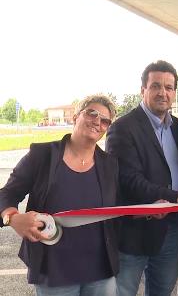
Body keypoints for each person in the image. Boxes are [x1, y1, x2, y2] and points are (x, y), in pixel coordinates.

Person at [105, 60, 178, 296]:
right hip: (134, 229)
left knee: (162, 291)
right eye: (156, 86)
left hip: (171, 228)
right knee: (123, 291)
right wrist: (176, 197)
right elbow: (128, 180)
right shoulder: (123, 128)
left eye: (169, 87)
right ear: (143, 90)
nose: (163, 92)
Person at [0, 95, 119, 295]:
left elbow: (119, 207)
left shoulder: (110, 164)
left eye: (105, 120)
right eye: (92, 113)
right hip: (55, 272)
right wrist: (12, 218)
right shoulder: (42, 156)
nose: (98, 121)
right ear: (75, 116)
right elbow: (6, 194)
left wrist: (151, 209)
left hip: (100, 271)